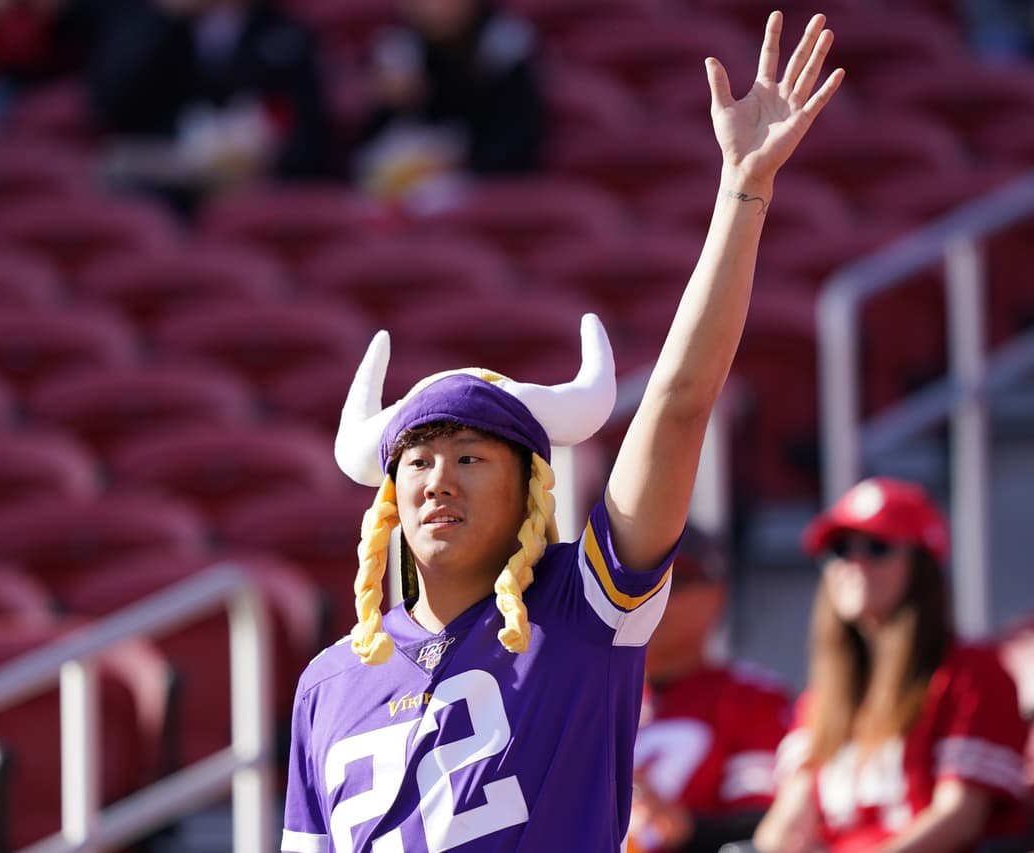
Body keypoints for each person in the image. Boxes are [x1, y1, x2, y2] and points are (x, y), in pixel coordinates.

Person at [281, 12, 845, 851]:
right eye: (421, 460)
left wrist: (742, 191)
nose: (439, 480)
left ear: (532, 492)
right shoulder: (326, 683)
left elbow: (681, 401)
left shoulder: (583, 612)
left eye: (470, 457)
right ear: (389, 497)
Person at [752, 477, 1030, 853]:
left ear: (922, 566)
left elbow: (961, 817)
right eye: (839, 550)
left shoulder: (972, 673)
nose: (855, 562)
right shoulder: (821, 700)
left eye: (877, 547)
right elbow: (785, 827)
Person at [628, 529, 793, 853]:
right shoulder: (582, 702)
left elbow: (763, 827)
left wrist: (686, 829)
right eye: (638, 584)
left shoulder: (752, 699)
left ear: (717, 595)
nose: (651, 597)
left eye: (674, 582)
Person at [88, 0, 334, 194]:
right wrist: (164, 20)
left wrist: (265, 162)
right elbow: (112, 107)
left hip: (259, 187)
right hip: (166, 183)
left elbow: (311, 138)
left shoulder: (286, 33)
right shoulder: (148, 27)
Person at [354, 0, 544, 203]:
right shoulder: (398, 49)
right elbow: (368, 147)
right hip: (404, 188)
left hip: (487, 192)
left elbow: (517, 143)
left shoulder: (505, 43)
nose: (434, 7)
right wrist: (392, 104)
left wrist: (461, 163)